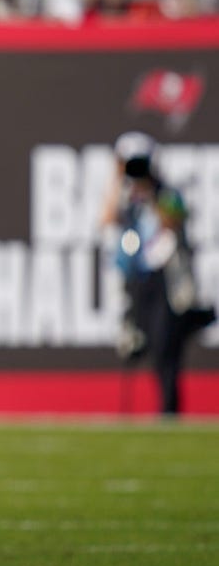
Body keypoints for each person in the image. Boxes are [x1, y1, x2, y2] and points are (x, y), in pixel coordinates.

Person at [101, 131, 216, 415]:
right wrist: (119, 179)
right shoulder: (127, 199)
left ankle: (168, 412)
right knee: (145, 345)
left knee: (167, 349)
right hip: (139, 282)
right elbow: (106, 218)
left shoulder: (166, 193)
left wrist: (151, 191)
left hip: (167, 281)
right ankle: (162, 410)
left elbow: (174, 219)